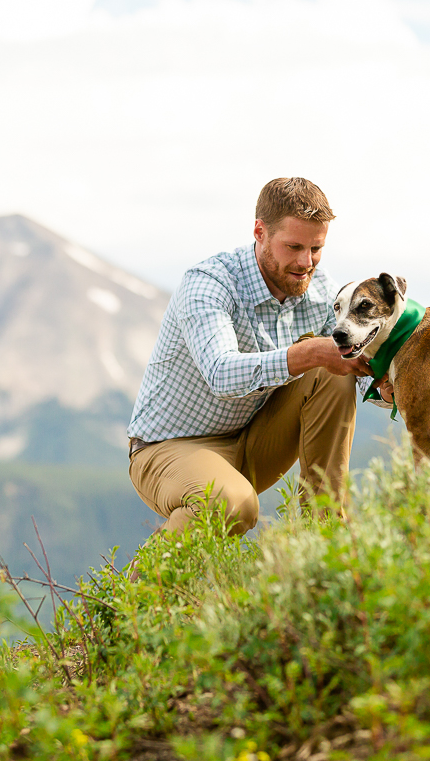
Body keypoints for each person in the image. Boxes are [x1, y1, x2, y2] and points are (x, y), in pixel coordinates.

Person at [127, 177, 373, 537]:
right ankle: (139, 592)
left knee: (333, 367)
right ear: (260, 232)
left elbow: (356, 367)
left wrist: (388, 384)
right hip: (168, 448)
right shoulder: (209, 284)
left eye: (316, 248)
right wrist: (303, 354)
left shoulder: (321, 292)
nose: (306, 262)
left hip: (255, 439)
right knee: (231, 504)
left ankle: (325, 541)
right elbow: (221, 373)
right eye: (293, 246)